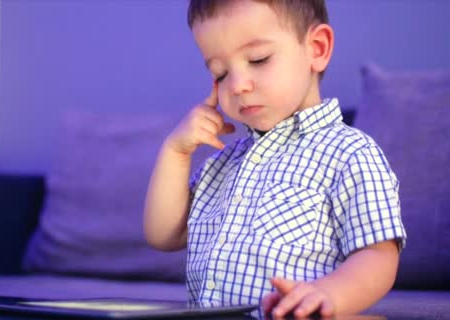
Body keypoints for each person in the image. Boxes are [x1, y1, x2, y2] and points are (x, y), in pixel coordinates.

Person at [143, 0, 406, 318]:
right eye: (221, 73)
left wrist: (330, 295)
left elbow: (378, 254)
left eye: (258, 59)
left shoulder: (349, 153)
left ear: (317, 49)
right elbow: (163, 235)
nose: (238, 85)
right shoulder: (223, 164)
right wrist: (176, 151)